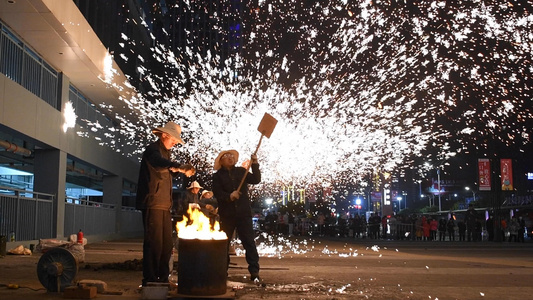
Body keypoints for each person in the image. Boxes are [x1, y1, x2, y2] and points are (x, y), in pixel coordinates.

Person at [135, 121, 195, 286]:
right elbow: (158, 163)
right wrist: (177, 166)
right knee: (154, 242)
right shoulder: (153, 150)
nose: (175, 142)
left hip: (163, 203)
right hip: (152, 202)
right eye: (173, 139)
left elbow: (167, 170)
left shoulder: (165, 154)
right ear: (164, 135)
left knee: (166, 244)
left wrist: (178, 169)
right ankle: (151, 279)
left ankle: (162, 277)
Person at [212, 149, 262, 282]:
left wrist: (255, 164)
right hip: (227, 215)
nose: (230, 158)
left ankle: (254, 271)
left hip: (243, 213)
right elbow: (217, 194)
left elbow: (256, 179)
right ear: (221, 160)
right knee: (224, 244)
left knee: (249, 242)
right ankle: (222, 271)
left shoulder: (241, 171)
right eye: (227, 156)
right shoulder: (217, 176)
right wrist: (229, 196)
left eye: (232, 156)